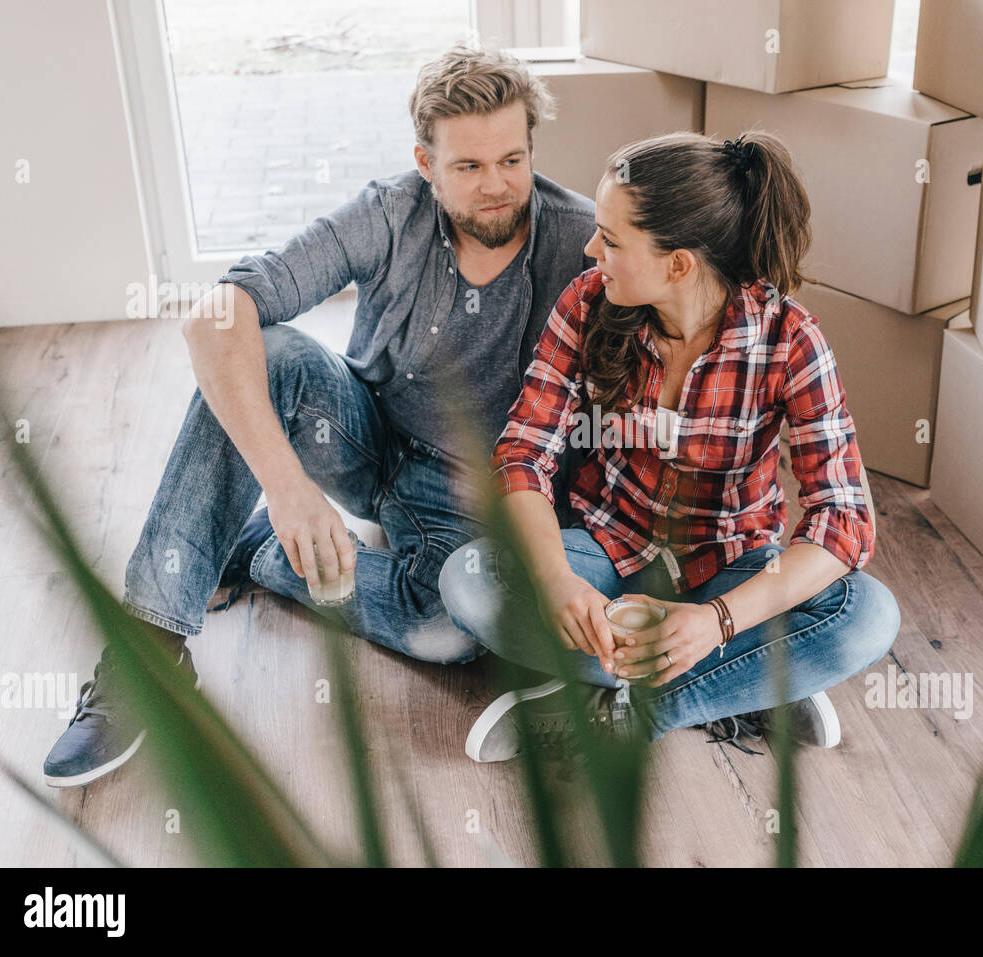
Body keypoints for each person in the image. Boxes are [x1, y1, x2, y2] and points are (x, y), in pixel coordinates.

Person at [43, 45, 598, 788]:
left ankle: (261, 551)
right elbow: (217, 314)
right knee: (261, 353)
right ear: (426, 164)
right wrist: (290, 485)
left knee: (446, 632)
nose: (496, 186)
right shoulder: (387, 211)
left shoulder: (581, 237)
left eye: (512, 159)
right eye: (468, 167)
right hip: (365, 437)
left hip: (481, 487)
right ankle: (148, 650)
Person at [438, 130, 902, 764]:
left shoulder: (790, 339)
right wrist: (555, 582)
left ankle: (636, 710)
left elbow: (844, 519)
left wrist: (718, 623)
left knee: (867, 616)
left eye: (612, 238)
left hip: (731, 571)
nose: (589, 247)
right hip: (606, 552)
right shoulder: (587, 304)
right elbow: (523, 453)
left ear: (678, 263)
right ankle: (747, 685)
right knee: (470, 579)